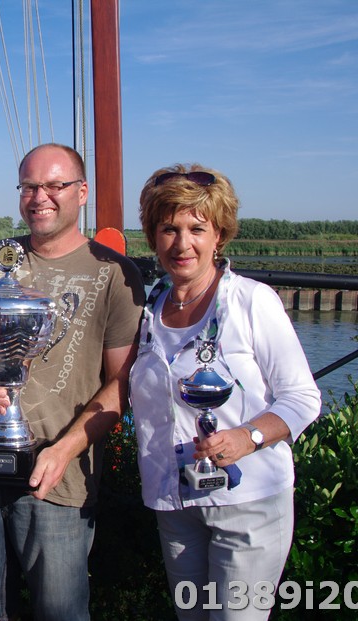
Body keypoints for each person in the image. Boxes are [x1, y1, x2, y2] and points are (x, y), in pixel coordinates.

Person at [0, 143, 145, 620]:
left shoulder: (115, 274)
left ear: (82, 192)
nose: (40, 197)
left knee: (61, 612)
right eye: (29, 186)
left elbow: (122, 384)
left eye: (55, 185)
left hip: (58, 482)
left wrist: (64, 450)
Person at [130, 164, 322, 620]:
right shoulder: (149, 308)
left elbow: (302, 397)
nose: (182, 243)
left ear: (219, 236)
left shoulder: (252, 301)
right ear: (153, 237)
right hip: (174, 503)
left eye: (197, 229)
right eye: (169, 229)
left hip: (248, 502)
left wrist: (247, 437)